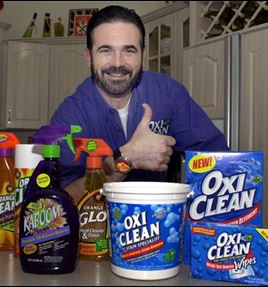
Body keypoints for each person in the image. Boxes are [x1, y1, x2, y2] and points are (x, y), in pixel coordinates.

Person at [50, 5, 229, 200]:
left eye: (129, 50)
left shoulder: (169, 94)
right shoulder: (69, 118)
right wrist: (127, 159)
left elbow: (219, 160)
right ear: (88, 57)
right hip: (97, 228)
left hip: (159, 221)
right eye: (105, 50)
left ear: (142, 55)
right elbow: (60, 202)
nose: (117, 63)